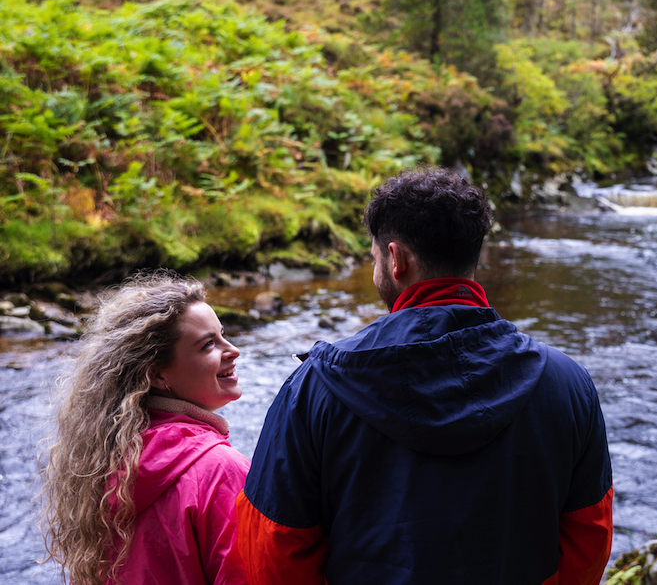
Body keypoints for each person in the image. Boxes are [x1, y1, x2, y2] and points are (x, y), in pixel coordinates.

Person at [237, 168, 613, 585]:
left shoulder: (314, 388)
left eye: (374, 256)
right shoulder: (568, 383)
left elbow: (274, 549)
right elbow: (588, 538)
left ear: (396, 260)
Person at [41, 271, 250, 585]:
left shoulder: (102, 461)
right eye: (208, 345)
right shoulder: (220, 471)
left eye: (223, 335)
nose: (232, 350)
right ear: (157, 375)